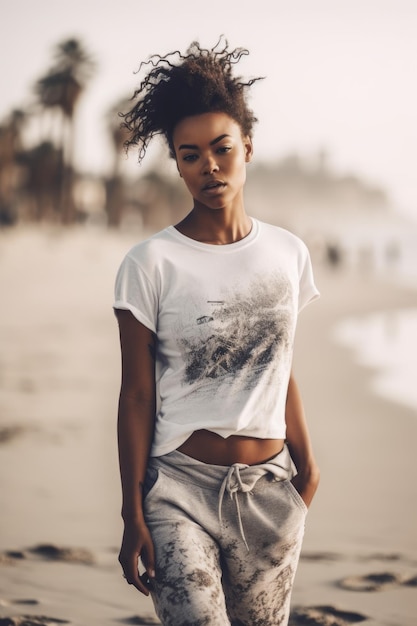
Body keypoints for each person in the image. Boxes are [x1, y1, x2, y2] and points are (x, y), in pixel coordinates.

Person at [114, 38, 320, 626]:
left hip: (271, 490)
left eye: (222, 149)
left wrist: (309, 466)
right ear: (177, 164)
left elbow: (279, 367)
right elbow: (135, 394)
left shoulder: (288, 253)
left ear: (247, 148)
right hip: (178, 489)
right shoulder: (150, 264)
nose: (209, 166)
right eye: (190, 155)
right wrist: (132, 511)